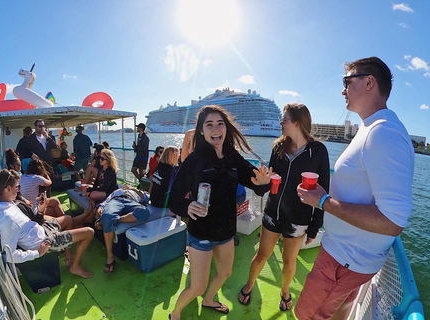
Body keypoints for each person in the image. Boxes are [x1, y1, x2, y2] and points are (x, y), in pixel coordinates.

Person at [295, 57, 414, 320]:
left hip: (343, 261)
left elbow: (393, 221)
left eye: (347, 82)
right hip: (349, 259)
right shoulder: (372, 128)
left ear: (369, 82)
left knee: (307, 315)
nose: (342, 90)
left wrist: (323, 201)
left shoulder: (382, 133)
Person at [168, 105, 272, 319]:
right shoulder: (195, 160)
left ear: (225, 129)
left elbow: (255, 183)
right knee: (197, 286)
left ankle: (209, 300)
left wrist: (264, 184)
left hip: (226, 232)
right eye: (209, 125)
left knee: (225, 273)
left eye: (220, 124)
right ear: (202, 131)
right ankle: (175, 313)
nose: (215, 129)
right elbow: (174, 199)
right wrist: (187, 206)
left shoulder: (233, 157)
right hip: (202, 235)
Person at [238, 103, 330, 311]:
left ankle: (285, 291)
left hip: (298, 219)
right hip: (272, 214)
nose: (281, 123)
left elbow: (323, 189)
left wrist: (315, 226)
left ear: (297, 123)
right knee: (262, 255)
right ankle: (249, 284)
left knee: (289, 262)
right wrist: (261, 185)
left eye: (284, 120)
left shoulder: (318, 152)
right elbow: (270, 184)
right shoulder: (278, 148)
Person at [0, 169, 94, 278]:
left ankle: (68, 254)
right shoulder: (7, 219)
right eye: (16, 187)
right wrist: (38, 253)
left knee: (67, 219)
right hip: (47, 241)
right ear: (8, 188)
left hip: (42, 229)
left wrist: (41, 208)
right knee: (89, 232)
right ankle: (75, 267)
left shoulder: (1, 202)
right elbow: (9, 255)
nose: (19, 190)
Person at [94, 184, 151, 273]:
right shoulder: (117, 191)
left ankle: (113, 220)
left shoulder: (138, 192)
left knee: (144, 212)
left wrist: (133, 189)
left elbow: (145, 198)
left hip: (131, 202)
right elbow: (106, 201)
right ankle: (110, 257)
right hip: (116, 201)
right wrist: (101, 207)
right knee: (107, 215)